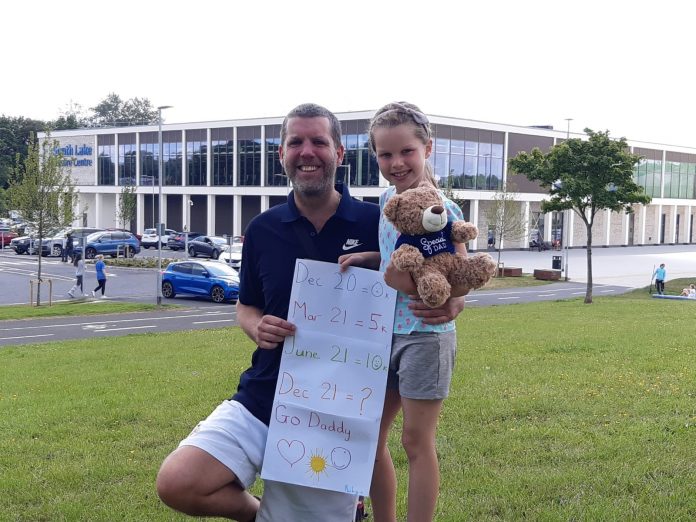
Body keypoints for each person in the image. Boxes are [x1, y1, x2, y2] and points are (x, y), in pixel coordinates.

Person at [339, 102, 467, 522]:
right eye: (385, 154)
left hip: (424, 337)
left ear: (428, 147)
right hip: (380, 333)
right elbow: (399, 257)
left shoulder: (443, 211)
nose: (396, 163)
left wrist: (423, 290)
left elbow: (457, 275)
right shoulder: (386, 201)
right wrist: (370, 259)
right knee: (371, 436)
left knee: (416, 441)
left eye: (406, 151)